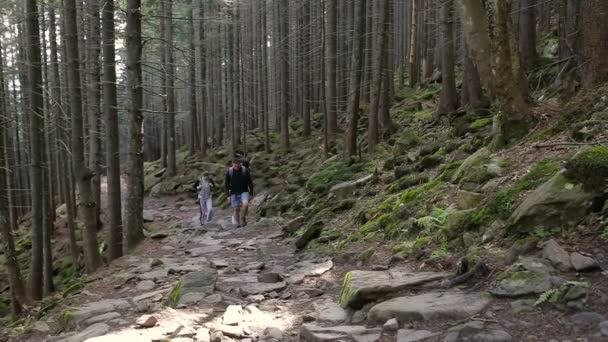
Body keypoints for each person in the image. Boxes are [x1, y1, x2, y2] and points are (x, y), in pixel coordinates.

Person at [225, 159, 254, 227]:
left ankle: (242, 217)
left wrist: (251, 193)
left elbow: (250, 182)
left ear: (240, 164)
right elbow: (226, 184)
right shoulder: (230, 171)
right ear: (232, 165)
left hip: (244, 191)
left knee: (246, 204)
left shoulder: (244, 170)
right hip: (234, 192)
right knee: (236, 209)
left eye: (238, 165)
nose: (236, 167)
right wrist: (228, 195)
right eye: (235, 166)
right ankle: (237, 223)